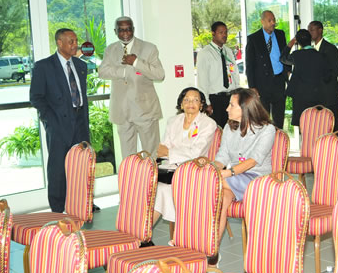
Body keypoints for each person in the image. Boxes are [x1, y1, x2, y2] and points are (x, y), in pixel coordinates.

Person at [30, 28, 89, 213]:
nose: (75, 45)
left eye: (76, 40)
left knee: (81, 164)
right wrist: (50, 120)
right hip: (58, 123)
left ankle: (81, 203)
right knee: (58, 167)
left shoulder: (80, 65)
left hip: (80, 121)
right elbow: (36, 97)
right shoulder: (44, 67)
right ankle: (57, 207)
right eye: (70, 41)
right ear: (59, 43)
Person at [153, 87, 217, 240]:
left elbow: (196, 153)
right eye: (186, 100)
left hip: (195, 170)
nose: (191, 103)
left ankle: (146, 234)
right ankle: (144, 235)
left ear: (201, 105)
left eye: (195, 100)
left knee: (164, 191)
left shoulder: (208, 124)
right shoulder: (173, 121)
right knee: (153, 188)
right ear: (181, 104)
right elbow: (162, 148)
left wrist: (171, 152)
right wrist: (176, 152)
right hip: (171, 168)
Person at [98, 16, 165, 159]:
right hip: (122, 112)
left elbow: (159, 75)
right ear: (115, 31)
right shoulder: (110, 50)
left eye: (128, 29)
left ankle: (151, 181)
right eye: (121, 30)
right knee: (128, 157)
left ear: (133, 29)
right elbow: (102, 72)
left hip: (145, 111)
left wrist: (136, 62)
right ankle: (131, 181)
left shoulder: (149, 48)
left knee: (151, 154)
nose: (125, 33)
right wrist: (122, 71)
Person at [213, 88, 275, 239]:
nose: (227, 109)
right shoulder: (229, 127)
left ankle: (188, 227)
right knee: (220, 202)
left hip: (257, 178)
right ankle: (212, 253)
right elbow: (223, 155)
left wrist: (227, 173)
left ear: (245, 108)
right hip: (232, 179)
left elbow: (253, 161)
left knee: (209, 182)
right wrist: (213, 168)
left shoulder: (267, 129)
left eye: (232, 105)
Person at [245, 10, 288, 128]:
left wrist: (287, 70)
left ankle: (279, 143)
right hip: (262, 84)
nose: (273, 22)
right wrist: (252, 87)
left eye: (274, 20)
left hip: (279, 81)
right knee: (263, 119)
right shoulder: (253, 39)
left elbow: (285, 55)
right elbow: (250, 65)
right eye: (269, 20)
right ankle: (265, 144)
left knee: (279, 117)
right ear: (262, 21)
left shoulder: (280, 34)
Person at [281, 29, 332, 129]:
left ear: (298, 42)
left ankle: (304, 144)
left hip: (300, 96)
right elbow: (327, 76)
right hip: (318, 95)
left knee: (303, 125)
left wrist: (290, 44)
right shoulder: (321, 56)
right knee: (316, 125)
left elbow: (283, 58)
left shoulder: (297, 55)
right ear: (310, 40)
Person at [196, 21, 240, 128]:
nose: (224, 35)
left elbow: (234, 74)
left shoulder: (228, 51)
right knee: (218, 132)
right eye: (221, 32)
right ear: (213, 33)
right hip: (215, 100)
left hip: (230, 97)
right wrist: (206, 103)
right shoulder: (205, 53)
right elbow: (202, 80)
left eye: (226, 32)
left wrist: (238, 93)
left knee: (232, 130)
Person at [308, 20, 338, 131]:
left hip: (329, 95)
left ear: (320, 30)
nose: (309, 32)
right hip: (316, 97)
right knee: (320, 128)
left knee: (334, 127)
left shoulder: (330, 49)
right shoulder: (310, 50)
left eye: (312, 30)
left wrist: (320, 77)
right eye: (308, 30)